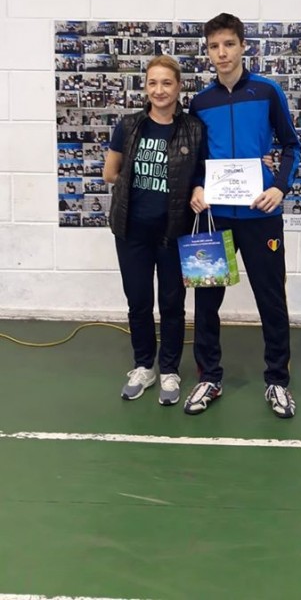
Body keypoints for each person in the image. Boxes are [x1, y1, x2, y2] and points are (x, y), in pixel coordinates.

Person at [186, 13, 301, 420]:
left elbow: (291, 145)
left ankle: (277, 381)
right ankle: (210, 377)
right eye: (214, 46)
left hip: (260, 215)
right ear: (208, 52)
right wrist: (197, 188)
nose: (222, 53)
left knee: (271, 299)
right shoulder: (201, 102)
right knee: (207, 300)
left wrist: (279, 187)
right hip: (215, 218)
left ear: (243, 46)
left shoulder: (267, 91)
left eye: (229, 44)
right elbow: (197, 158)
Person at [103, 55, 205, 407]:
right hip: (131, 231)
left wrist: (197, 188)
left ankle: (170, 370)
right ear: (145, 87)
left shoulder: (194, 129)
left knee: (173, 304)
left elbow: (203, 172)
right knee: (139, 302)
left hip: (175, 232)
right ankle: (143, 366)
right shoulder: (129, 126)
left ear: (179, 87)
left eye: (166, 83)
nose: (159, 90)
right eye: (152, 83)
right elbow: (110, 173)